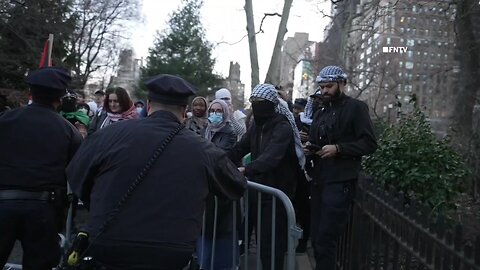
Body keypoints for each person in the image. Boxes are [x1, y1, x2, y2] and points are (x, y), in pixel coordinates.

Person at [66, 74, 247, 269]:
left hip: (110, 243)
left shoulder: (110, 135)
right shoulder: (203, 149)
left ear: (149, 104)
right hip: (169, 250)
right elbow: (235, 184)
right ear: (184, 109)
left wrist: (99, 203)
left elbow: (77, 174)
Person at [0, 67, 82, 269]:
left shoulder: (5, 120)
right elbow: (77, 172)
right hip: (43, 210)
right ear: (60, 98)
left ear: (31, 92)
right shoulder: (68, 131)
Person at [306, 65, 377, 270]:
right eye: (322, 87)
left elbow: (369, 143)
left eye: (329, 86)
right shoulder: (321, 110)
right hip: (319, 180)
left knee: (326, 240)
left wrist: (339, 149)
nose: (325, 91)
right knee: (317, 238)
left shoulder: (356, 107)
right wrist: (310, 147)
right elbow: (318, 139)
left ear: (342, 84)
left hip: (340, 182)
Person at [228, 83, 305, 270]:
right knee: (245, 237)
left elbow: (271, 157)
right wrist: (219, 161)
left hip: (276, 196)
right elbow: (239, 148)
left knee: (270, 246)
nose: (256, 106)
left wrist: (246, 170)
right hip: (257, 193)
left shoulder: (282, 127)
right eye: (253, 102)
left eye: (260, 102)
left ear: (270, 103)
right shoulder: (256, 126)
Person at [197, 99, 239, 269]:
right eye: (212, 110)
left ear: (225, 113)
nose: (214, 114)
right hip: (205, 187)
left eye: (218, 111)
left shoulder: (229, 132)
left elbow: (220, 155)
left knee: (219, 230)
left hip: (220, 188)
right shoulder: (205, 130)